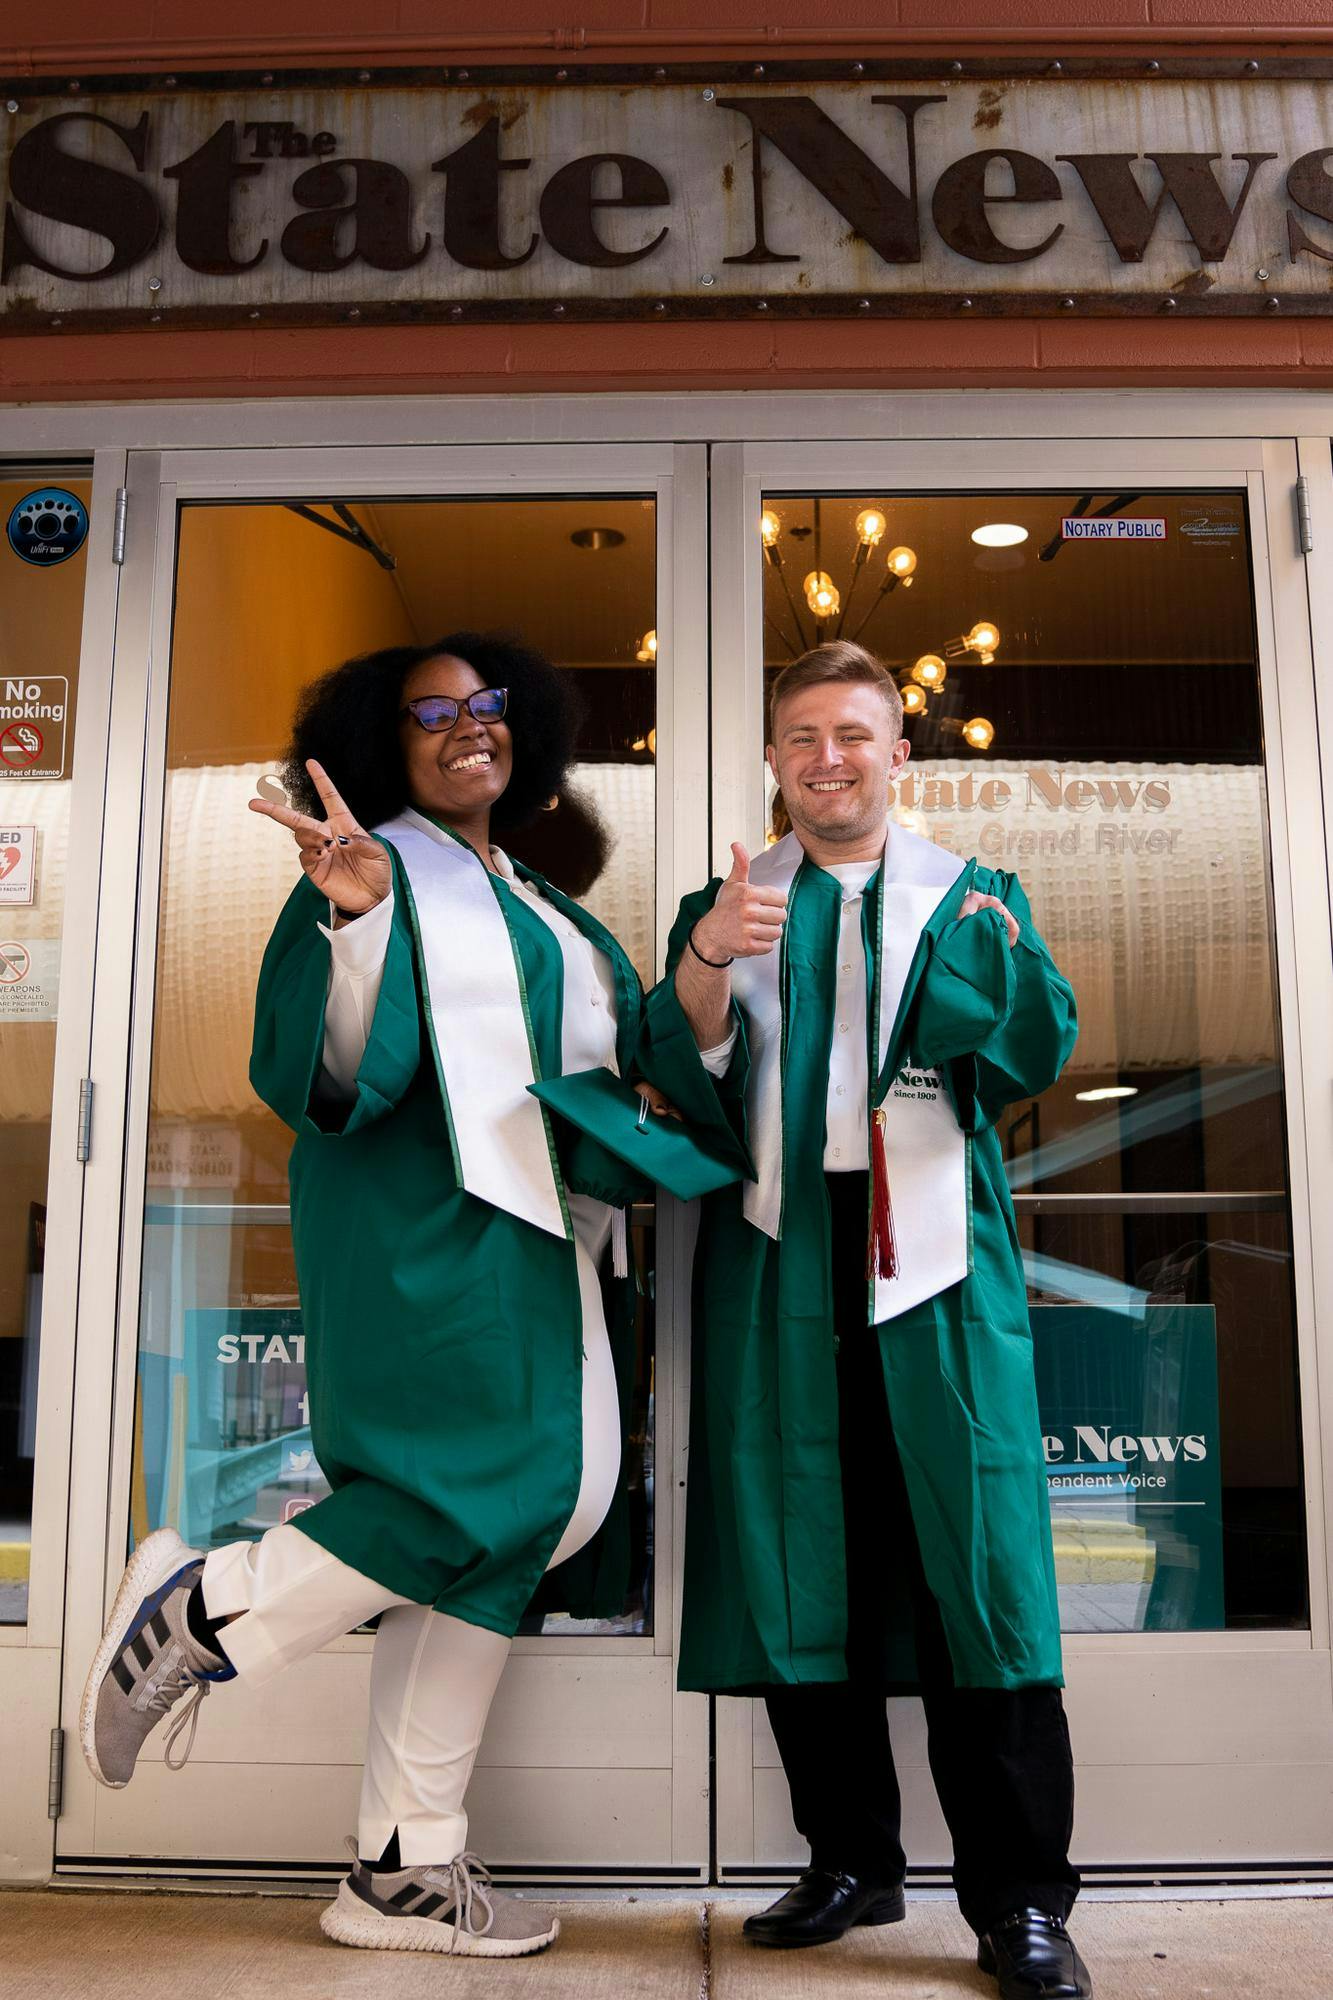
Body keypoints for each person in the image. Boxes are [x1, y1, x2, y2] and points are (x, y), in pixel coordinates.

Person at [81, 632, 668, 1960]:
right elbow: (322, 1072)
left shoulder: (539, 897)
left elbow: (612, 1060)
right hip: (425, 1239)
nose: (468, 726)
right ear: (380, 740)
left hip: (544, 1246)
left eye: (487, 706)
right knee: (471, 1496)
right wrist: (354, 917)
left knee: (533, 1520)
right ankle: (204, 1604)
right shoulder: (367, 868)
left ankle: (404, 1871)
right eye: (429, 712)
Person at [637, 640, 1091, 2000]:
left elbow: (1031, 1055)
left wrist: (995, 979)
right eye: (800, 738)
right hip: (784, 1252)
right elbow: (680, 1064)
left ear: (900, 753)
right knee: (796, 1556)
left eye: (853, 733)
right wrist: (707, 957)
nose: (826, 758)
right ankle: (850, 1859)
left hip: (937, 1259)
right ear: (773, 761)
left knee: (977, 1573)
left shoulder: (974, 897)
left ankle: (1017, 1903)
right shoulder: (730, 903)